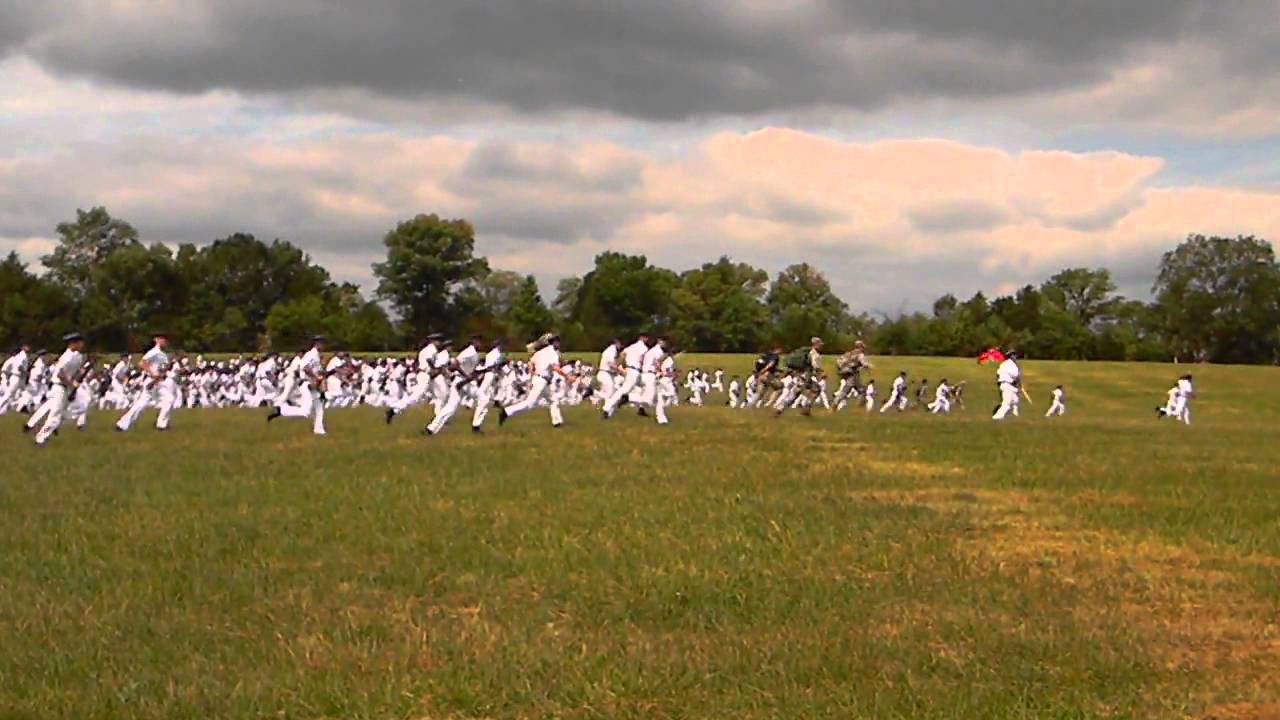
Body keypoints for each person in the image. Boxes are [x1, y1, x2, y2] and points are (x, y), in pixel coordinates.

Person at [30, 333, 86, 447]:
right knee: (55, 415)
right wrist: (72, 383)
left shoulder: (78, 356)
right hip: (59, 387)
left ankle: (56, 425)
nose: (82, 345)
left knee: (82, 406)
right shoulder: (67, 357)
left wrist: (79, 375)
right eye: (80, 342)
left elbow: (74, 372)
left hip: (67, 387)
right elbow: (61, 374)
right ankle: (40, 439)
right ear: (73, 343)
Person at [499, 334, 566, 428]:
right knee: (529, 404)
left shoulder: (541, 352)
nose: (559, 344)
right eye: (558, 342)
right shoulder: (553, 353)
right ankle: (506, 411)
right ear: (554, 342)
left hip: (541, 380)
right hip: (541, 381)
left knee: (553, 400)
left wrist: (532, 376)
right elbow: (556, 368)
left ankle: (557, 423)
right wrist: (568, 376)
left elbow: (530, 362)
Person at [116, 332, 177, 432]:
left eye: (166, 339)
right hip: (152, 381)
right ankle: (122, 424)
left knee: (169, 399)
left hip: (161, 382)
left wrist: (169, 365)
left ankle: (162, 425)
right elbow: (142, 363)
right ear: (156, 340)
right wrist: (152, 373)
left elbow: (162, 368)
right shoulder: (154, 351)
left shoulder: (163, 354)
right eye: (163, 339)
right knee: (141, 403)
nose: (165, 341)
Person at [267, 336, 328, 435]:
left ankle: (319, 430)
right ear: (317, 344)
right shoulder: (311, 354)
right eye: (323, 343)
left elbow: (317, 370)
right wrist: (316, 377)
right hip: (307, 384)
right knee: (306, 412)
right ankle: (281, 410)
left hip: (314, 385)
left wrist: (323, 373)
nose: (325, 346)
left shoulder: (317, 355)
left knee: (319, 408)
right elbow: (306, 368)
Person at [386, 334, 441, 424]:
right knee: (415, 398)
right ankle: (393, 408)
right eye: (438, 340)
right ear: (433, 341)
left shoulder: (426, 349)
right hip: (425, 375)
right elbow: (429, 360)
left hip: (426, 375)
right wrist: (434, 368)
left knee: (439, 396)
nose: (439, 342)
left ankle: (439, 418)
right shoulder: (431, 349)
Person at [601, 332, 650, 419]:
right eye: (647, 338)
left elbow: (622, 355)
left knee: (640, 389)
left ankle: (641, 408)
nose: (648, 340)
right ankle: (609, 407)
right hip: (635, 371)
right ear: (643, 338)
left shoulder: (631, 347)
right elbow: (644, 361)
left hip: (630, 370)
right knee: (624, 390)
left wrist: (617, 366)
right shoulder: (644, 348)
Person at [470, 338, 507, 433]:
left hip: (491, 375)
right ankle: (475, 424)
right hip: (490, 375)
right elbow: (491, 367)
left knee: (485, 399)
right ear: (498, 345)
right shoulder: (495, 354)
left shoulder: (494, 354)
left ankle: (476, 423)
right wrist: (501, 364)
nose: (503, 347)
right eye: (501, 345)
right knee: (483, 398)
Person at [0, 342, 31, 415]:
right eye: (27, 346)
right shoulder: (22, 355)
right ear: (23, 347)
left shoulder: (22, 355)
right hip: (16, 377)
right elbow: (19, 367)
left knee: (17, 394)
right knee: (8, 395)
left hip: (19, 378)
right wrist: (26, 373)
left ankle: (5, 410)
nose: (29, 348)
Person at [992, 350, 1023, 421]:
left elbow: (998, 373)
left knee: (1015, 400)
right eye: (1015, 355)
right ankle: (996, 418)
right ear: (1012, 356)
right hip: (1008, 385)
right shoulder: (1012, 364)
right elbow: (1015, 375)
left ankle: (1015, 416)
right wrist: (1018, 380)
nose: (1016, 357)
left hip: (1004, 384)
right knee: (1006, 404)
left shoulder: (1003, 364)